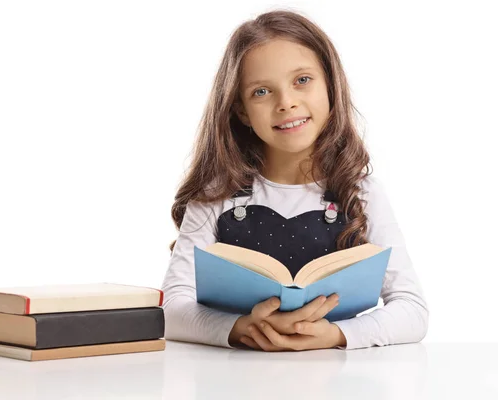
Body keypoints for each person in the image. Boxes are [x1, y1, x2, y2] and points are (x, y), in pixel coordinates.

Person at [161, 9, 428, 351]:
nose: (286, 103)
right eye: (261, 92)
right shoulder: (216, 197)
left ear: (331, 86)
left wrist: (338, 335)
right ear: (240, 110)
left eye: (302, 80)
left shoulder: (361, 194)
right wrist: (239, 328)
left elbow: (412, 310)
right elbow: (171, 309)